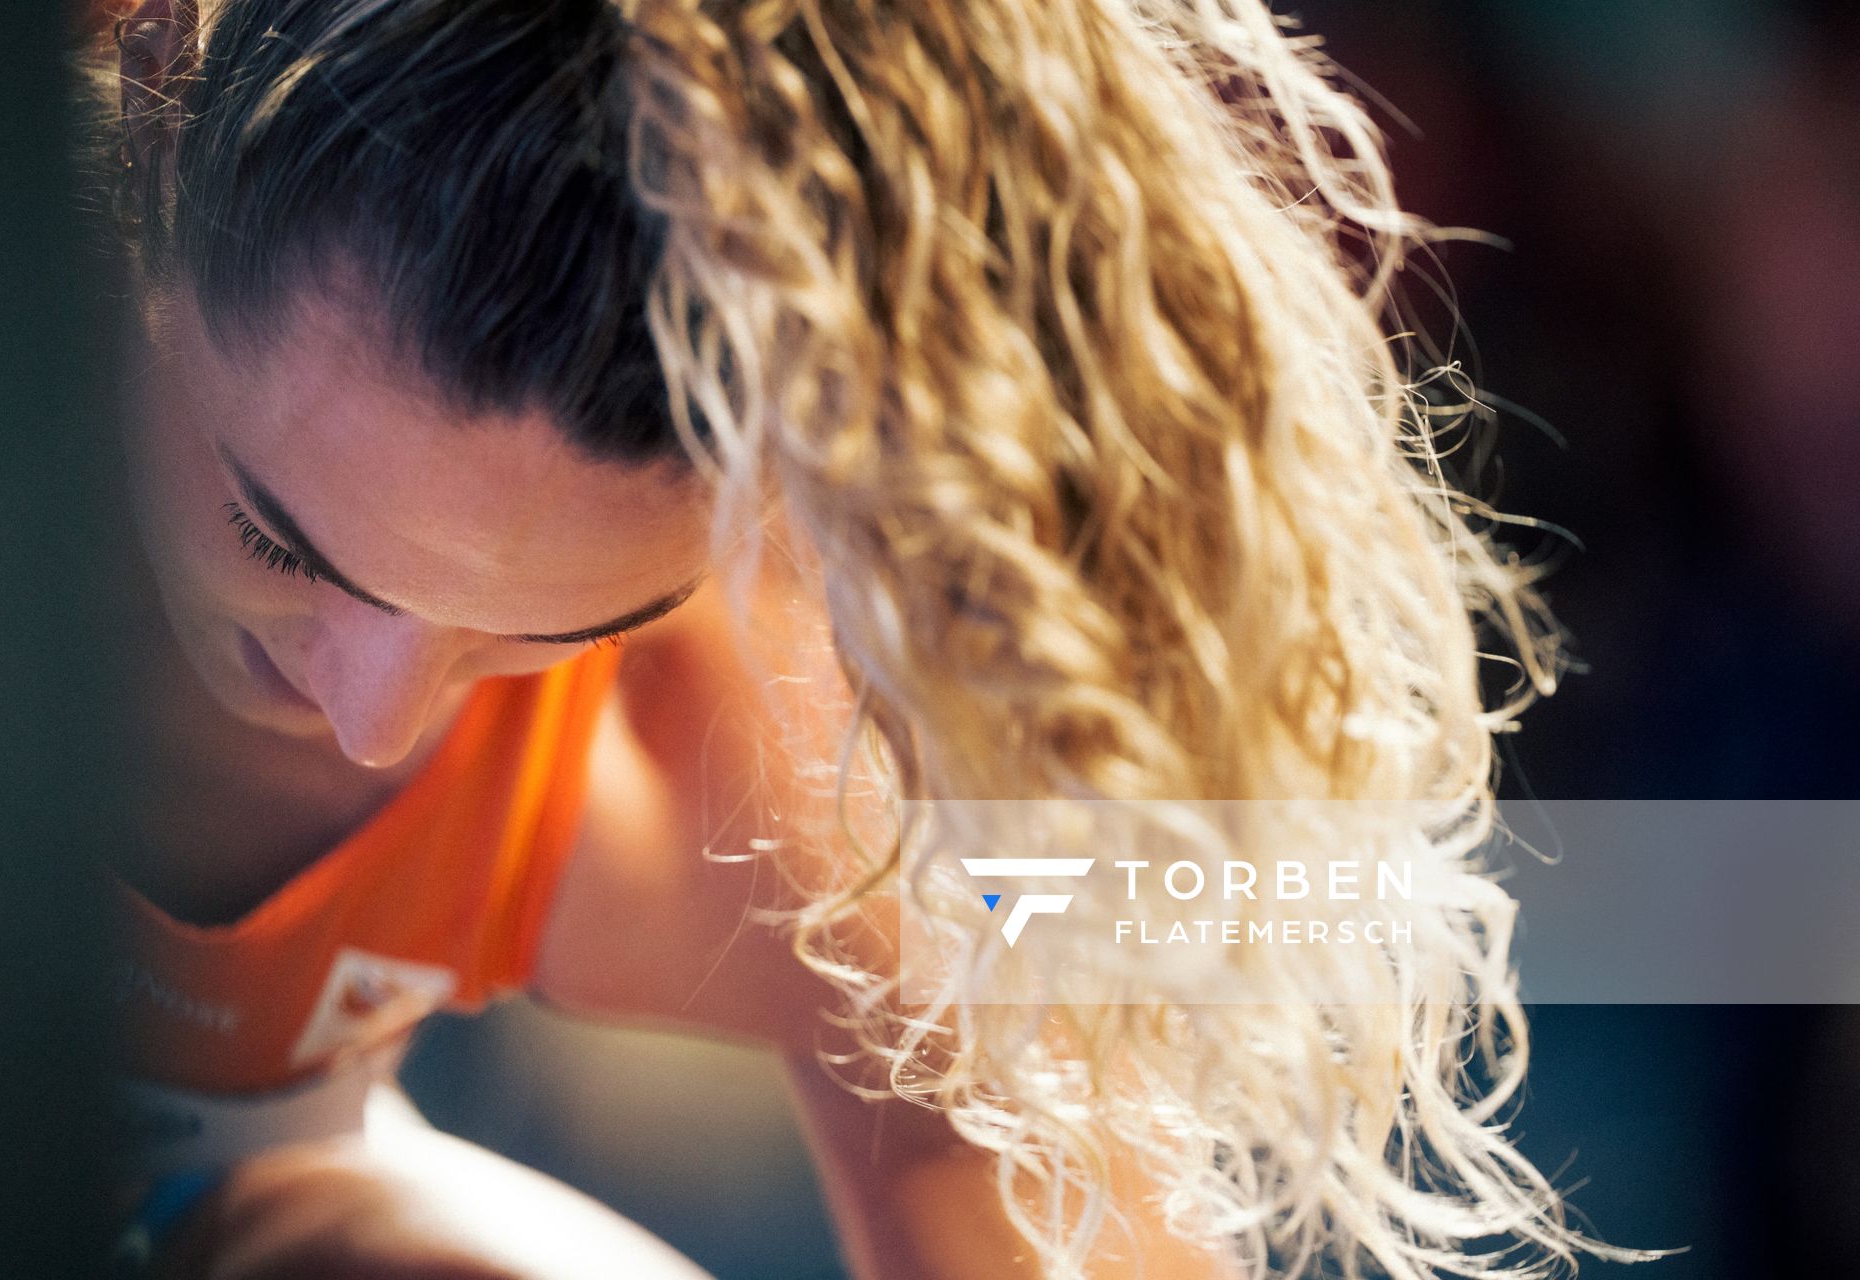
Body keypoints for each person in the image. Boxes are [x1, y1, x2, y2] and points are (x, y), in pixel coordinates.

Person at [83, 0, 1665, 1277]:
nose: (377, 715)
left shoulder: (696, 715)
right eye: (272, 536)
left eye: (537, 632)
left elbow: (1053, 1200)